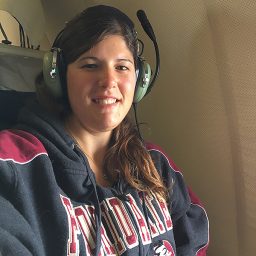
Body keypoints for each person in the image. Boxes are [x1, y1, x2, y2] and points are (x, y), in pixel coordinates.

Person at [0, 5, 209, 256]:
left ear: (140, 79)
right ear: (57, 76)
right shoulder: (14, 163)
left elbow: (192, 243)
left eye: (121, 67)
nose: (109, 81)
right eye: (90, 65)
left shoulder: (155, 163)